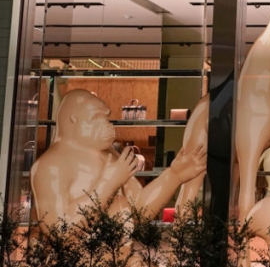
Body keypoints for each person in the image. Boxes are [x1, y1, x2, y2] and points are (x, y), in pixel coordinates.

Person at [31, 89, 207, 227]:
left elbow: (139, 211)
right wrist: (109, 183)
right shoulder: (51, 165)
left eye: (107, 117)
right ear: (74, 120)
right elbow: (59, 229)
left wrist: (173, 175)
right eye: (97, 117)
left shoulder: (111, 156)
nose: (108, 124)